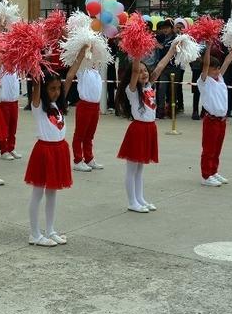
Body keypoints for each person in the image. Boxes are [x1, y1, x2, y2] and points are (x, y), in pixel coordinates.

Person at [115, 38, 177, 213]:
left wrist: (172, 49)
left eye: (145, 70)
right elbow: (134, 69)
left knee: (140, 169)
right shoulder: (132, 90)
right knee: (132, 168)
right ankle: (131, 201)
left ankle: (140, 198)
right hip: (138, 130)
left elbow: (160, 66)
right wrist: (136, 51)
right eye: (140, 71)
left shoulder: (150, 85)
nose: (143, 73)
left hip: (150, 128)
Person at [24, 70, 73, 247]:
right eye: (52, 89)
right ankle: (35, 233)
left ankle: (50, 230)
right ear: (44, 89)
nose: (56, 92)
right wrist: (35, 61)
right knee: (38, 193)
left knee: (52, 193)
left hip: (59, 150)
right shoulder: (38, 106)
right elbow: (37, 82)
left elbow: (69, 77)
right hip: (44, 151)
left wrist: (82, 50)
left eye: (58, 88)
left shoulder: (58, 105)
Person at [198, 43, 232, 187]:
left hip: (222, 120)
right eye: (212, 68)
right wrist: (208, 47)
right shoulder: (204, 81)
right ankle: (205, 175)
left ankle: (213, 171)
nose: (216, 70)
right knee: (208, 149)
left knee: (217, 148)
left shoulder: (220, 78)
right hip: (211, 120)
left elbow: (227, 60)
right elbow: (206, 63)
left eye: (217, 68)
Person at [65, 46, 104, 173]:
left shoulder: (96, 70)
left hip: (95, 106)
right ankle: (77, 160)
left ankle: (89, 158)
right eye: (89, 53)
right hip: (85, 105)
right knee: (80, 134)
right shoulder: (82, 70)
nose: (91, 55)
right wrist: (83, 49)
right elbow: (77, 62)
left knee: (90, 135)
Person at [0, 70, 22, 160]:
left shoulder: (16, 66)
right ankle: (4, 150)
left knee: (13, 126)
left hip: (14, 101)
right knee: (4, 127)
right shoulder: (2, 65)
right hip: (5, 102)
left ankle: (11, 147)